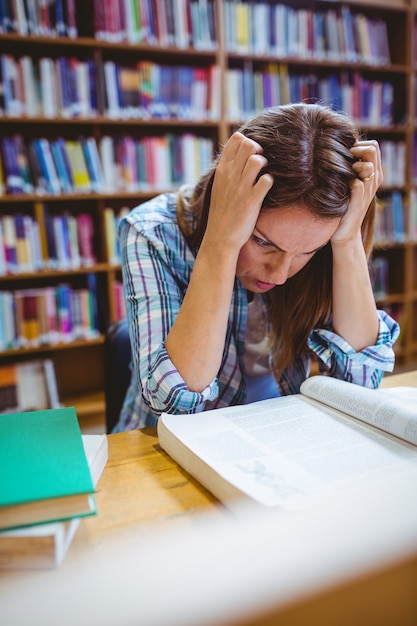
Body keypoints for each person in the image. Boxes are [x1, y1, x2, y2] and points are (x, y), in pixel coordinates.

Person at [113, 102, 400, 431]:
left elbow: (360, 382)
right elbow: (173, 402)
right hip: (162, 449)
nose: (279, 275)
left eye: (308, 251)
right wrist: (222, 241)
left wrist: (347, 242)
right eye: (263, 242)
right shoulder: (152, 231)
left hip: (277, 437)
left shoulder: (330, 240)